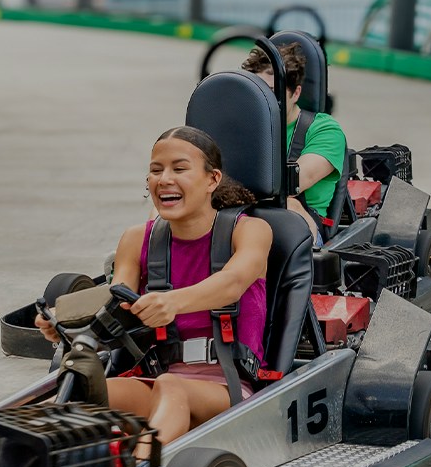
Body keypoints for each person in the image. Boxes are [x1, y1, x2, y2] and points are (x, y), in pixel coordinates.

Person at [39, 127, 271, 446]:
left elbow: (231, 284)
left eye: (179, 169)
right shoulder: (137, 240)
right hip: (157, 379)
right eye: (156, 170)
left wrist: (173, 302)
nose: (164, 179)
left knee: (171, 387)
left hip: (228, 388)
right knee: (79, 389)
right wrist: (64, 322)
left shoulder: (250, 231)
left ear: (212, 179)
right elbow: (116, 303)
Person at [241, 43, 348, 242]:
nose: (264, 100)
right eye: (258, 91)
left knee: (289, 204)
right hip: (243, 219)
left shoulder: (324, 130)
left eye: (272, 92)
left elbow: (294, 182)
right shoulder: (241, 125)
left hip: (299, 228)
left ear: (296, 93)